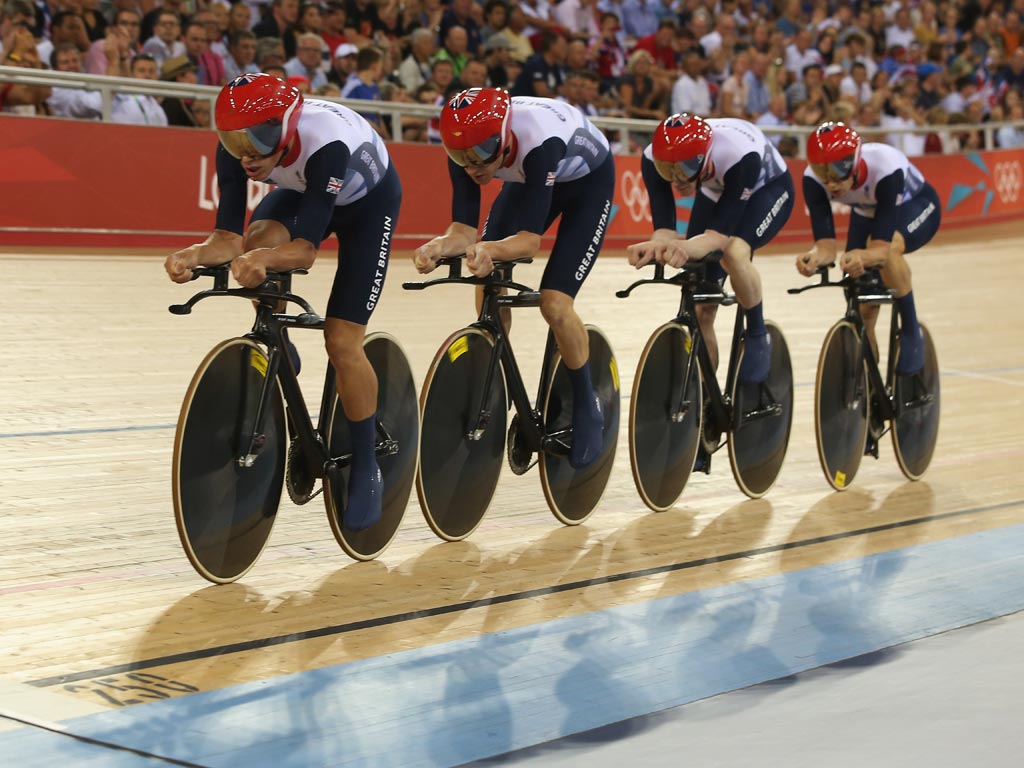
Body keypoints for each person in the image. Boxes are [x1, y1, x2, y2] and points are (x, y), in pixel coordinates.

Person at [163, 74, 402, 531]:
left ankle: (367, 462)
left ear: (289, 124)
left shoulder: (326, 144)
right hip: (303, 193)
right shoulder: (237, 146)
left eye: (259, 137)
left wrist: (264, 259)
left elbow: (305, 251)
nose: (247, 151)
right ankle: (279, 341)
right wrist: (192, 256)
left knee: (342, 343)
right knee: (256, 240)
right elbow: (226, 240)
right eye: (235, 139)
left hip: (369, 208)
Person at [414, 87, 615, 468]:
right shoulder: (467, 146)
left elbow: (528, 243)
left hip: (587, 183)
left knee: (554, 302)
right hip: (528, 179)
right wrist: (437, 247)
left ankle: (587, 403)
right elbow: (462, 232)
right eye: (462, 158)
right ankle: (496, 375)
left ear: (505, 134)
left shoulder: (539, 142)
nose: (473, 167)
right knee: (488, 280)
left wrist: (488, 249)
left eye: (481, 155)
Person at [628, 114, 795, 387]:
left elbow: (716, 239)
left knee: (735, 252)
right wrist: (657, 245)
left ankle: (756, 332)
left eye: (682, 169)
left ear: (703, 158)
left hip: (767, 188)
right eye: (667, 169)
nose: (674, 178)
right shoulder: (651, 158)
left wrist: (684, 246)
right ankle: (706, 397)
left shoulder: (740, 156)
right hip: (715, 188)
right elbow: (665, 229)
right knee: (703, 306)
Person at [796, 122, 939, 376]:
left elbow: (881, 250)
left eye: (838, 170)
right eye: (822, 171)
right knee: (863, 305)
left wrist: (863, 255)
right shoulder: (812, 181)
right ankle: (867, 382)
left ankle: (910, 331)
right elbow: (827, 246)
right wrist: (814, 259)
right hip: (867, 212)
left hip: (915, 205)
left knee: (888, 251)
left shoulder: (885, 167)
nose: (831, 182)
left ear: (855, 160)